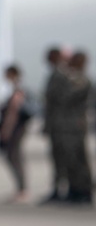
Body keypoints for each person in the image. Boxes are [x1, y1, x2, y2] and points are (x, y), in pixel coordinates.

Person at [0, 64, 33, 204]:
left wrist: (6, 130)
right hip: (17, 129)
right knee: (14, 157)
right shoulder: (17, 89)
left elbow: (13, 113)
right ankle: (21, 188)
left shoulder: (17, 91)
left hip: (15, 130)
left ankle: (22, 189)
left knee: (15, 157)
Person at [40, 47, 71, 204]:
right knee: (57, 158)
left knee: (63, 158)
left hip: (63, 125)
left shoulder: (62, 74)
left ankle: (66, 189)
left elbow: (59, 101)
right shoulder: (57, 74)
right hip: (57, 124)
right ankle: (58, 189)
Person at [62, 52, 94, 206]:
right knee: (71, 159)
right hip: (69, 125)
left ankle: (84, 191)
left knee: (79, 159)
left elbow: (67, 97)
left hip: (76, 126)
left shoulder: (81, 80)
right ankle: (75, 189)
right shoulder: (74, 78)